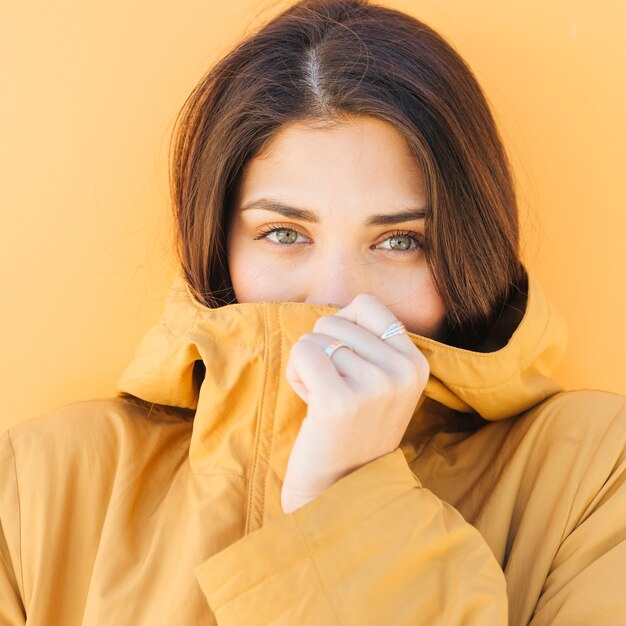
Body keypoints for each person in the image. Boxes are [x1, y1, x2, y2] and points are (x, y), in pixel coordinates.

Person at [1, 0, 624, 624]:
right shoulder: (40, 487)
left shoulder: (595, 477)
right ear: (218, 246)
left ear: (467, 247)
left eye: (401, 241)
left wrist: (348, 506)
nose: (338, 297)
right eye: (283, 233)